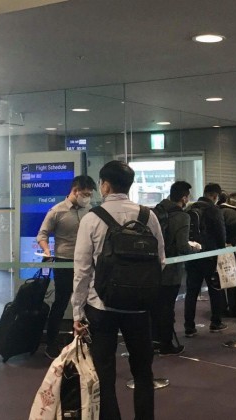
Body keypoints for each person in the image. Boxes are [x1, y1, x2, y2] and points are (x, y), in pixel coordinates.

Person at [72, 160, 165, 420]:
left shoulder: (92, 218)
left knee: (104, 372)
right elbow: (160, 261)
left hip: (101, 306)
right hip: (139, 307)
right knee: (143, 371)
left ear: (105, 185)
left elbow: (82, 270)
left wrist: (77, 312)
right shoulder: (148, 216)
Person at [36, 175, 96, 359]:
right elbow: (42, 235)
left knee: (88, 303)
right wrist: (47, 250)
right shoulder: (57, 211)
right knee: (61, 302)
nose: (87, 198)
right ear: (75, 191)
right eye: (85, 194)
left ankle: (85, 342)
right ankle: (51, 344)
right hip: (65, 262)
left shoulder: (90, 210)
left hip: (87, 262)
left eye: (89, 195)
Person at [151, 181, 198, 356]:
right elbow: (182, 247)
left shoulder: (155, 211)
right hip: (171, 270)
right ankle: (166, 344)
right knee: (167, 307)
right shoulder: (182, 217)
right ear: (184, 198)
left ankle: (154, 341)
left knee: (155, 307)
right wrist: (195, 248)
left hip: (152, 267)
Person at [183, 182, 227, 337]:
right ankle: (216, 322)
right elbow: (221, 234)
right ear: (215, 196)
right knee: (215, 290)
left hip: (192, 255)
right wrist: (221, 250)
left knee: (191, 292)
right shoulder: (214, 210)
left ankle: (189, 326)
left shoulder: (190, 208)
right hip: (209, 256)